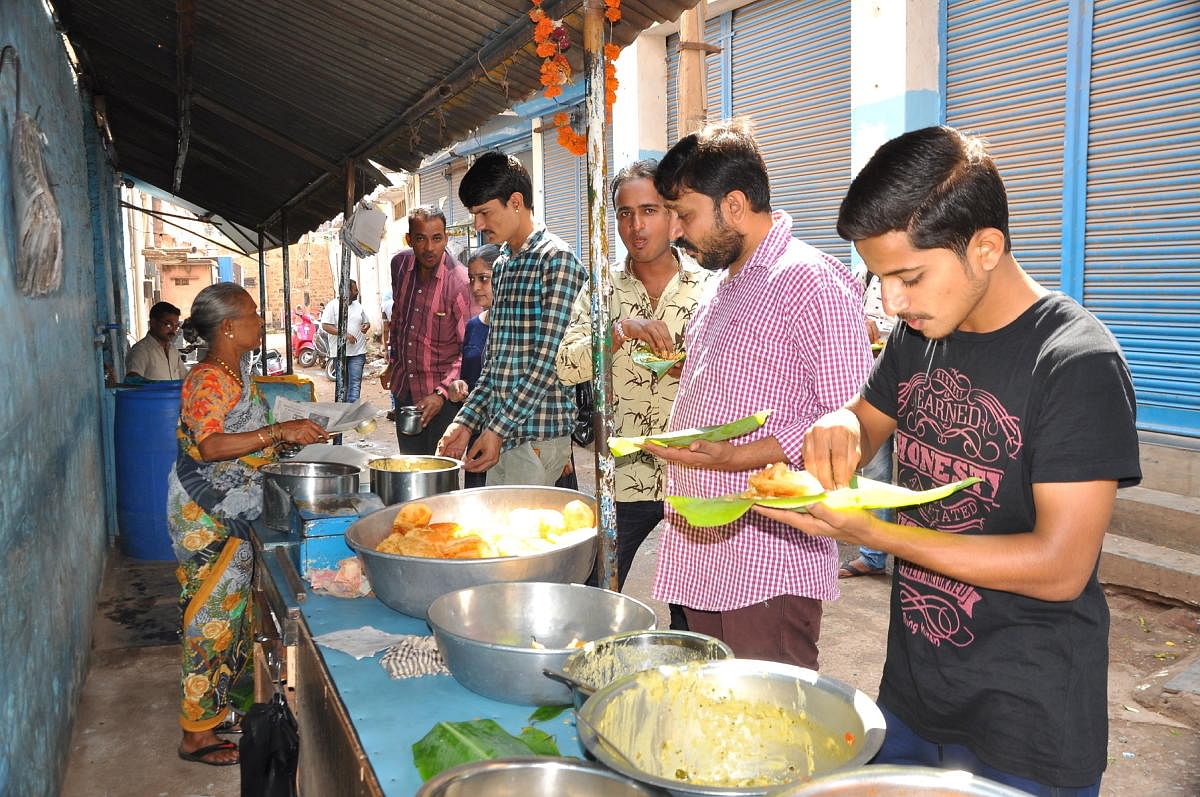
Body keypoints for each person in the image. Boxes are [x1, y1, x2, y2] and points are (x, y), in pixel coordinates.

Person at [756, 126, 1141, 795]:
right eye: (880, 280)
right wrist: (838, 423)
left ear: (985, 247)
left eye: (909, 277)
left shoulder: (1075, 362)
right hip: (914, 689)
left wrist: (871, 533)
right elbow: (866, 417)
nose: (893, 303)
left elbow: (1060, 565)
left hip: (1030, 717)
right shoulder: (920, 336)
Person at [641, 121, 873, 668]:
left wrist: (737, 456)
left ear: (736, 205)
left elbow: (849, 424)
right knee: (723, 714)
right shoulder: (722, 288)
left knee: (773, 725)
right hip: (703, 551)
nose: (675, 231)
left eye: (686, 215)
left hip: (769, 554)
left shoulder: (810, 281)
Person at [167, 283, 327, 766]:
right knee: (209, 619)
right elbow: (211, 445)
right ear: (230, 327)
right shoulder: (206, 380)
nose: (261, 321)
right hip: (207, 515)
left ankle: (217, 711)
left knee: (234, 618)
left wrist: (290, 434)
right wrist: (277, 431)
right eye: (254, 315)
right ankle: (194, 733)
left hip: (237, 507)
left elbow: (245, 435)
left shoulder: (235, 372)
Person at [556, 160, 717, 628]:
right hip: (622, 475)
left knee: (694, 610)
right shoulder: (602, 288)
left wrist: (694, 367)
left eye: (649, 210)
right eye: (624, 213)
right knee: (597, 597)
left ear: (673, 216)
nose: (636, 225)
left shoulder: (708, 287)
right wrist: (619, 331)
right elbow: (567, 367)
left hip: (695, 472)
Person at [437, 151, 586, 485]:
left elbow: (549, 363)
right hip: (500, 435)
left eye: (485, 213)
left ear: (516, 202)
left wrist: (496, 430)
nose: (478, 225)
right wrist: (465, 422)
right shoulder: (503, 264)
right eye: (475, 215)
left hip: (535, 438)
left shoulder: (557, 261)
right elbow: (494, 366)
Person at [381, 207, 472, 453]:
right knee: (410, 471)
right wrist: (393, 362)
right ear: (410, 239)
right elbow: (399, 319)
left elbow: (470, 351)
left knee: (440, 479)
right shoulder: (399, 265)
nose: (429, 248)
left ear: (446, 238)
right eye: (421, 239)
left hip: (441, 402)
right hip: (405, 391)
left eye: (437, 238)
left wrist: (441, 394)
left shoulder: (459, 282)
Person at [840, 271, 897, 578]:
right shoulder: (864, 275)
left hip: (913, 378)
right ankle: (873, 555)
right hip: (876, 382)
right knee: (875, 470)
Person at [447, 243, 503, 487]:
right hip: (476, 436)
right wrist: (456, 387)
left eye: (484, 278)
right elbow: (469, 380)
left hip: (509, 440)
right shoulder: (473, 326)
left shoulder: (521, 329)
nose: (476, 287)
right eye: (472, 279)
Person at [320, 279, 371, 403]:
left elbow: (366, 321)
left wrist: (366, 325)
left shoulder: (358, 305)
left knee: (355, 383)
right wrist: (345, 335)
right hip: (340, 353)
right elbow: (326, 325)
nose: (357, 292)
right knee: (343, 385)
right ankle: (344, 412)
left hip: (358, 352)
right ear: (346, 291)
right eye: (354, 289)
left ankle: (352, 412)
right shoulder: (332, 306)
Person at [126, 301, 184, 381]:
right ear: (153, 323)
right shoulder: (140, 351)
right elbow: (132, 379)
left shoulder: (173, 350)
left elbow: (185, 377)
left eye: (176, 326)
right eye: (168, 325)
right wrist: (157, 386)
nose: (173, 330)